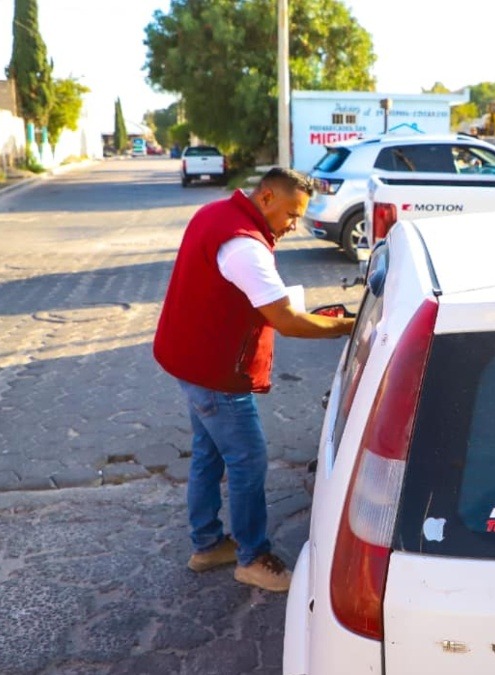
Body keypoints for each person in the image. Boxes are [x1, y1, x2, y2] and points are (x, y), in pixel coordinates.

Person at [153, 167, 355, 592]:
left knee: (209, 453)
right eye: (291, 214)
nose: (294, 225)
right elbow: (288, 322)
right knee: (248, 460)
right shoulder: (245, 246)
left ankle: (207, 544)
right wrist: (347, 326)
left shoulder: (215, 213)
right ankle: (252, 557)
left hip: (189, 359)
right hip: (214, 373)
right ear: (266, 199)